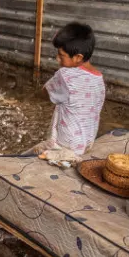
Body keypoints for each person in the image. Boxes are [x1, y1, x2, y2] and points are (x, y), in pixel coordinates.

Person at [33, 22, 106, 164]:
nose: (57, 59)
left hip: (64, 145)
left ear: (78, 57)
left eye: (61, 55)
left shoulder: (66, 76)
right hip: (86, 142)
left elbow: (45, 93)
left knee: (30, 155)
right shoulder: (99, 78)